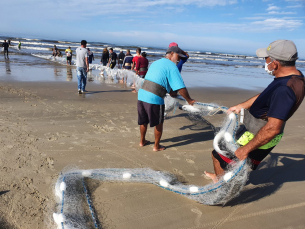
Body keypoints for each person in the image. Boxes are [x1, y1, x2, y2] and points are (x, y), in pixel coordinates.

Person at [204, 40, 305, 183]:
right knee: (233, 161)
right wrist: (242, 105)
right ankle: (224, 179)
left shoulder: (284, 90)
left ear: (275, 63)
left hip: (255, 133)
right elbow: (267, 95)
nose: (265, 62)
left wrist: (245, 149)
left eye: (267, 59)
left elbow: (273, 129)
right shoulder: (293, 77)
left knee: (218, 155)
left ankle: (220, 187)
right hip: (258, 131)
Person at [137, 46, 195, 151]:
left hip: (142, 94)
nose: (178, 60)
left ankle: (142, 141)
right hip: (154, 97)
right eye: (178, 56)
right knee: (159, 122)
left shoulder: (156, 62)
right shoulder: (172, 66)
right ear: (172, 54)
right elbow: (180, 87)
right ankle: (156, 146)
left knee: (143, 121)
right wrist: (189, 100)